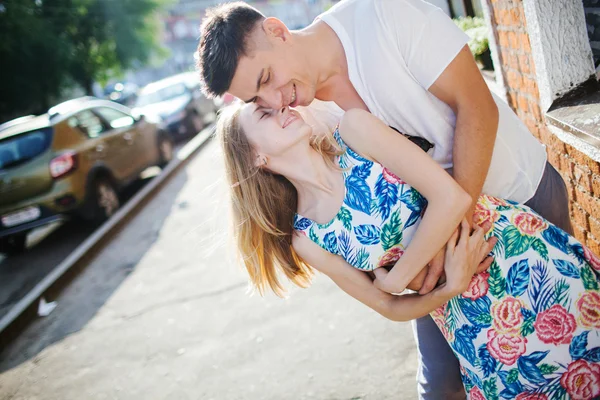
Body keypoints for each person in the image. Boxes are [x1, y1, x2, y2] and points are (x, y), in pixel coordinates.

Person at [197, 1, 574, 398]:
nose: (276, 101)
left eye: (267, 77)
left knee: (574, 341)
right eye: (258, 101)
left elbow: (476, 106)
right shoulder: (306, 114)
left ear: (276, 30)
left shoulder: (384, 16)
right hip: (440, 263)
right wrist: (426, 267)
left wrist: (433, 250)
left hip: (520, 200)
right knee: (444, 384)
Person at [217, 102, 600, 399]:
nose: (281, 108)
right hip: (467, 311)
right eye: (265, 115)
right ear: (256, 158)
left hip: (509, 249)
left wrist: (396, 279)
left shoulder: (354, 133)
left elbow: (451, 196)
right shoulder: (308, 238)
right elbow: (387, 306)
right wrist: (449, 287)